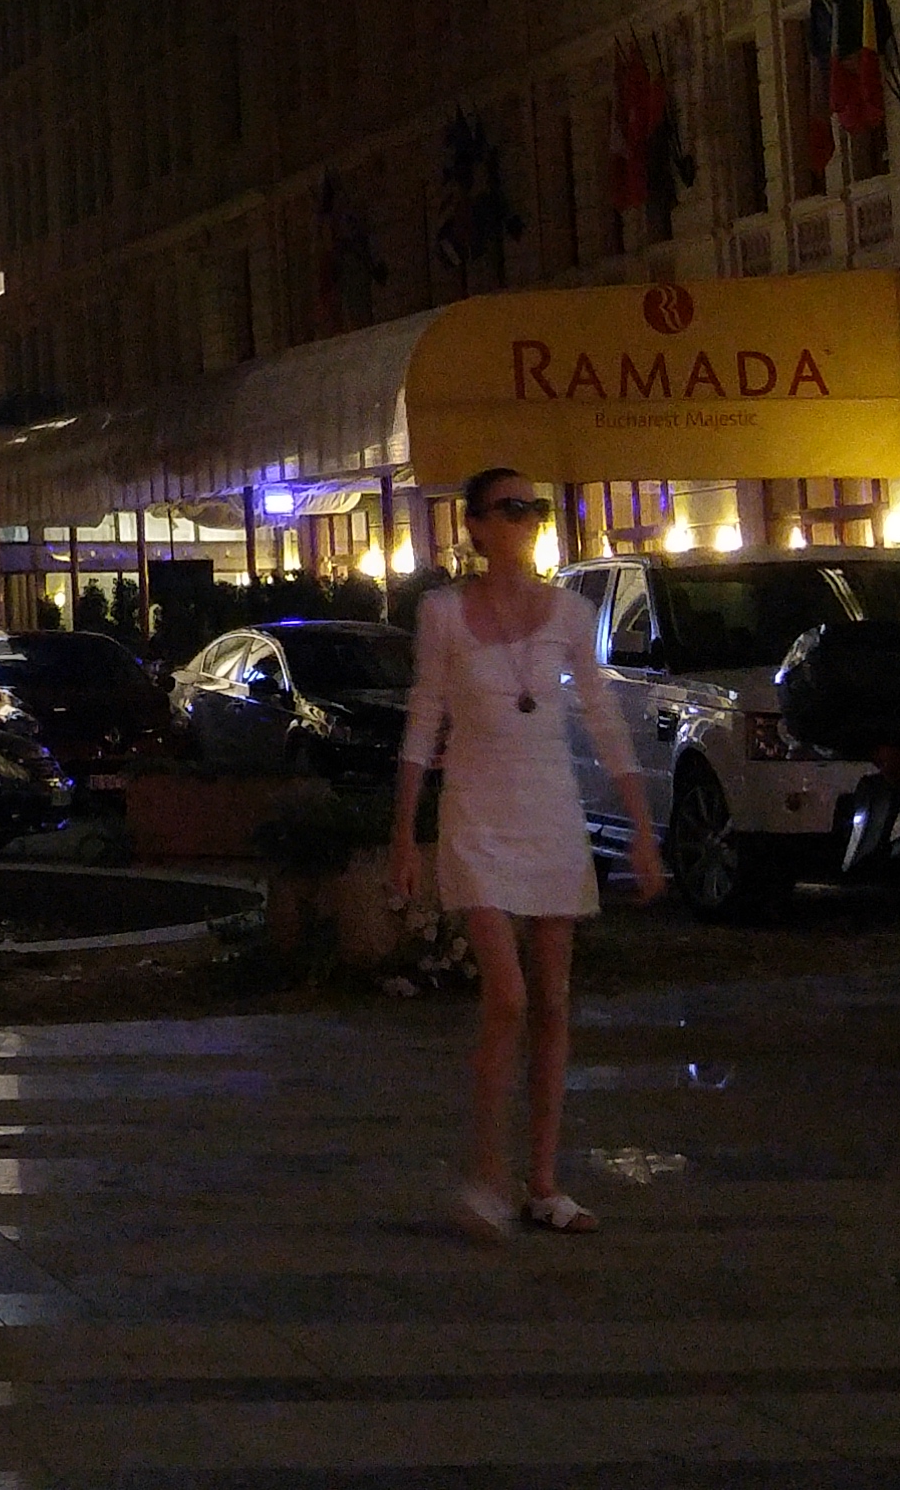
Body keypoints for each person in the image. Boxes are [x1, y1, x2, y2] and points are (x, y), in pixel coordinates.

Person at [386, 466, 655, 1238]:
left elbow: (601, 715)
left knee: (554, 1001)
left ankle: (542, 1180)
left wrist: (638, 823)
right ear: (474, 524)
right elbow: (422, 722)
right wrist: (404, 831)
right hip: (477, 814)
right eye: (509, 509)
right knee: (506, 997)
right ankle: (487, 1171)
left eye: (532, 509)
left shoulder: (570, 612)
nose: (526, 520)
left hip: (550, 813)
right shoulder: (442, 614)